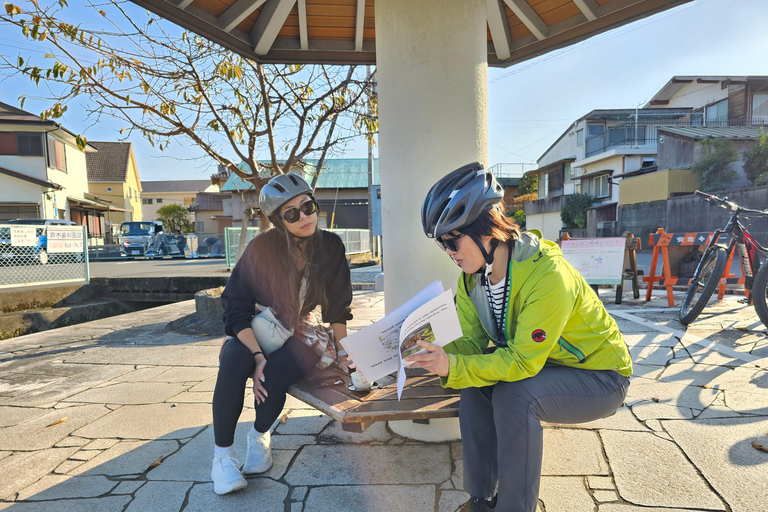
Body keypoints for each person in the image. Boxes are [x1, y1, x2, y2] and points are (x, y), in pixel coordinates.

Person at [405, 162, 632, 512]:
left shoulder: (547, 275)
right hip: (549, 366)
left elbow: (523, 361)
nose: (449, 252)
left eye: (452, 240)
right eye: (441, 244)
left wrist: (453, 365)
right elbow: (469, 346)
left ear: (487, 229)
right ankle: (480, 500)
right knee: (475, 384)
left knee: (515, 395)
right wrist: (429, 350)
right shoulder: (472, 279)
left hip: (601, 376)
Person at [210, 172, 353, 495]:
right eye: (292, 214)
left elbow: (337, 308)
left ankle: (259, 436)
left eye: (308, 206)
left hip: (302, 328)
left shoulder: (331, 246)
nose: (304, 217)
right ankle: (222, 457)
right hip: (261, 324)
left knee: (281, 368)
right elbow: (235, 307)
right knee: (234, 359)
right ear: (279, 221)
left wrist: (344, 352)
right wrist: (257, 355)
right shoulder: (262, 248)